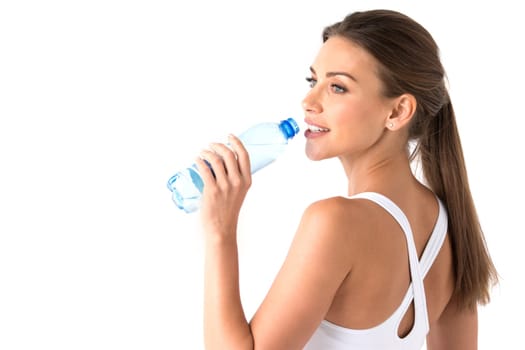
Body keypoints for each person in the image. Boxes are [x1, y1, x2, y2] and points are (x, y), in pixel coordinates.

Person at [193, 9, 498, 350]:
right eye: (313, 81)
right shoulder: (449, 226)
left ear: (397, 112)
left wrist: (221, 232)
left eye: (337, 87)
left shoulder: (336, 222)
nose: (308, 101)